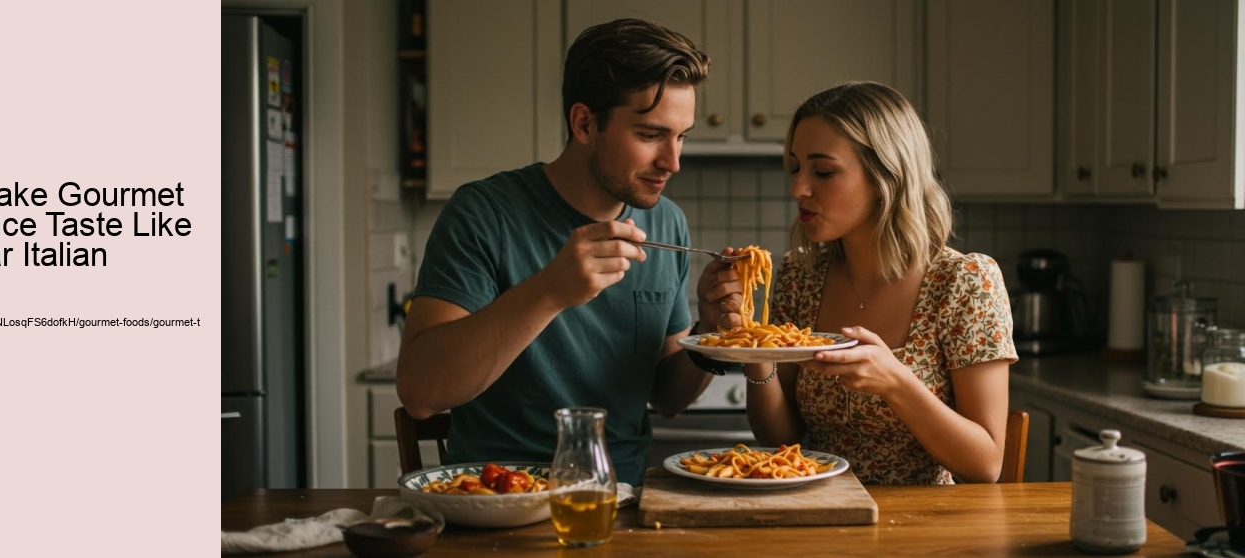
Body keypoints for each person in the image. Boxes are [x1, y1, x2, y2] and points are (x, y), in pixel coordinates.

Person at [395, 18, 735, 487]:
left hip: (623, 498)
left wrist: (712, 334)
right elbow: (421, 393)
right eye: (651, 135)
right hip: (498, 496)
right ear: (584, 123)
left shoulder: (666, 221)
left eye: (681, 136)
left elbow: (668, 397)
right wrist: (549, 292)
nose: (672, 162)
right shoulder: (484, 212)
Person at [728, 81, 1017, 484]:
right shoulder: (799, 276)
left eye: (823, 171)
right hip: (821, 514)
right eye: (795, 167)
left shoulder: (963, 282)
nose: (798, 188)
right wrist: (754, 353)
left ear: (886, 177)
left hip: (923, 530)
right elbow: (781, 437)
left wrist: (896, 383)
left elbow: (985, 464)